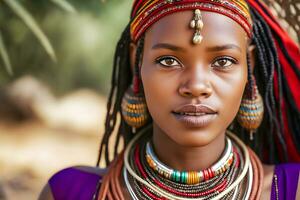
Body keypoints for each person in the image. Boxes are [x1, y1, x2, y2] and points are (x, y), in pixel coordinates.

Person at [39, 0, 300, 199]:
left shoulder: (290, 189)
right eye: (168, 61)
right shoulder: (70, 192)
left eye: (223, 61)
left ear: (249, 66)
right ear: (137, 62)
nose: (196, 86)